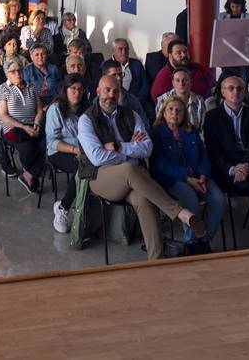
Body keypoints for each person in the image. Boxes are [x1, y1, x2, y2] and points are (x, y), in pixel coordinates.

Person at [79, 76, 206, 261]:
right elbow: (97, 158)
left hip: (133, 179)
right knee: (129, 170)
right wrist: (131, 149)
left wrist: (118, 146)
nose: (111, 95)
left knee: (144, 200)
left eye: (115, 91)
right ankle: (181, 213)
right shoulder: (86, 120)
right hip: (101, 178)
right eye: (107, 90)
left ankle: (156, 261)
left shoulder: (132, 115)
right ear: (98, 91)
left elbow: (147, 148)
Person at [150, 96, 224, 254]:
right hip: (172, 179)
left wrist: (203, 175)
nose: (174, 113)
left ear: (184, 114)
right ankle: (190, 242)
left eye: (179, 110)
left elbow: (204, 155)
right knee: (190, 198)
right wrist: (186, 178)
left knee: (218, 200)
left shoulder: (191, 131)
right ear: (163, 113)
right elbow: (160, 164)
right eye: (170, 109)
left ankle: (204, 239)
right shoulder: (157, 132)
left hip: (198, 176)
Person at [0, 60, 46, 194]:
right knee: (29, 148)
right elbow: (3, 116)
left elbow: (40, 110)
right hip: (12, 128)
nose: (17, 73)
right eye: (13, 71)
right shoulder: (3, 89)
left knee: (47, 144)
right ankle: (31, 174)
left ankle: (28, 175)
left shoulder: (32, 87)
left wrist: (36, 123)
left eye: (19, 70)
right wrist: (24, 127)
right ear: (7, 74)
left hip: (32, 125)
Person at [44, 74, 87, 234]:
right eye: (73, 89)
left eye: (80, 90)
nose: (77, 92)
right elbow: (53, 142)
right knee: (82, 169)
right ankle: (63, 208)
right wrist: (75, 150)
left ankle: (85, 207)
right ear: (66, 90)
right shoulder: (56, 109)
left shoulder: (86, 109)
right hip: (59, 151)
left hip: (82, 151)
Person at [150, 39, 215, 101]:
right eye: (179, 53)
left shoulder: (198, 68)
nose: (183, 55)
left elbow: (213, 85)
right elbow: (157, 97)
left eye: (185, 51)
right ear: (170, 56)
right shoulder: (164, 76)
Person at [109, 38, 150, 112]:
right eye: (120, 49)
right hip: (115, 102)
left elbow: (145, 86)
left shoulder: (137, 64)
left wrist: (136, 100)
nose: (124, 52)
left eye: (126, 49)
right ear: (113, 51)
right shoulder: (107, 66)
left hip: (137, 102)